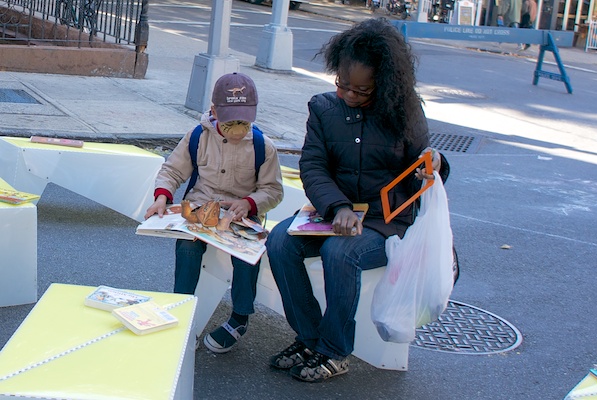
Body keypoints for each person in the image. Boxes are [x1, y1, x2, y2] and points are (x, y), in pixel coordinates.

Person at [265, 18, 450, 383]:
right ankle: (309, 337)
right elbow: (314, 166)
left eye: (362, 91)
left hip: (386, 221)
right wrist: (338, 207)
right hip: (334, 210)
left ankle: (335, 351)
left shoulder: (406, 111)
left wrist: (435, 166)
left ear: (385, 83)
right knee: (280, 242)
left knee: (340, 252)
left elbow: (426, 165)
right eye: (343, 85)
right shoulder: (323, 109)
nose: (349, 96)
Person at [144, 72, 283, 353]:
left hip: (240, 215)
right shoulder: (197, 136)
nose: (237, 130)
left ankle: (240, 317)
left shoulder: (262, 146)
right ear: (214, 111)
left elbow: (273, 190)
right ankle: (181, 310)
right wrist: (162, 197)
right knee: (187, 249)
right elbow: (172, 170)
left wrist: (250, 203)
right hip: (200, 209)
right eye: (230, 122)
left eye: (244, 123)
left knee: (247, 257)